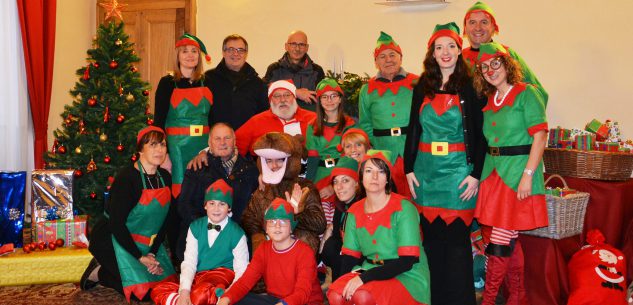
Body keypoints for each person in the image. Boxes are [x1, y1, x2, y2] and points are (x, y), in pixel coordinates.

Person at [403, 22, 487, 305]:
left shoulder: (471, 86)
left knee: (457, 244)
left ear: (459, 51)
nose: (446, 52)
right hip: (426, 173)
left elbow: (480, 134)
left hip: (458, 174)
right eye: (439, 47)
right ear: (432, 54)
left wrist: (475, 174)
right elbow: (413, 128)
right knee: (432, 242)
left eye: (451, 46)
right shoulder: (421, 86)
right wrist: (409, 168)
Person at [472, 42, 548, 305]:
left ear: (507, 64)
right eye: (484, 67)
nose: (490, 70)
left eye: (495, 63)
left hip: (517, 173)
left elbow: (540, 136)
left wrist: (528, 174)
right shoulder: (490, 100)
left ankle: (489, 300)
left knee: (500, 242)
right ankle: (518, 298)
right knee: (508, 240)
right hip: (493, 175)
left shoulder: (527, 93)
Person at [81, 126, 176, 302]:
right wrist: (140, 257)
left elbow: (166, 220)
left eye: (162, 145)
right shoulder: (127, 178)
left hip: (146, 243)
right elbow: (116, 224)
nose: (159, 150)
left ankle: (118, 267)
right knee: (143, 293)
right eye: (152, 145)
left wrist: (152, 254)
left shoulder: (165, 177)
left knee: (166, 287)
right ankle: (100, 272)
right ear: (140, 149)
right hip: (113, 239)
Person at [327, 150, 430, 305]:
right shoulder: (354, 211)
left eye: (381, 171)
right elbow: (349, 258)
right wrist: (342, 283)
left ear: (388, 178)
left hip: (406, 275)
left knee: (363, 296)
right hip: (368, 269)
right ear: (361, 177)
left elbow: (407, 262)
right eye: (369, 171)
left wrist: (363, 278)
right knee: (336, 294)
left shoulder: (404, 208)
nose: (374, 177)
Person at [151, 180, 249, 305]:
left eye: (222, 204)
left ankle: (197, 299)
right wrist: (184, 292)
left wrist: (230, 294)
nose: (216, 209)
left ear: (229, 208)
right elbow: (189, 261)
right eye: (212, 203)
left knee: (201, 293)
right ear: (205, 205)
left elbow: (242, 270)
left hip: (223, 278)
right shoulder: (195, 227)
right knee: (158, 290)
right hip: (199, 277)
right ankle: (184, 301)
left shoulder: (237, 233)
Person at [216, 198, 324, 305]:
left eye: (283, 221)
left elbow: (302, 292)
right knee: (235, 299)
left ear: (291, 227)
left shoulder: (305, 252)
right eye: (272, 221)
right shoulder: (263, 249)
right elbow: (245, 282)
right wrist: (226, 299)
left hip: (302, 302)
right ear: (266, 228)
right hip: (276, 300)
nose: (277, 226)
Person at [176, 123, 258, 262]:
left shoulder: (250, 169)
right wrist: (207, 229)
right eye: (217, 138)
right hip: (201, 239)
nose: (222, 143)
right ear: (209, 142)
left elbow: (254, 207)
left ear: (234, 140)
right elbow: (184, 205)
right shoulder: (198, 167)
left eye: (227, 138)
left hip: (237, 241)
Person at [241, 132, 326, 253]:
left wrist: (297, 213)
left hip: (298, 253)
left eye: (280, 160)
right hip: (270, 251)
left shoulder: (304, 187)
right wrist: (257, 235)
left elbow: (320, 225)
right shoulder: (263, 189)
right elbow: (249, 218)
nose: (274, 165)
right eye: (269, 161)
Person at [358, 31, 417, 198]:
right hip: (384, 151)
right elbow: (365, 123)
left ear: (401, 57)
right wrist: (378, 147)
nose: (388, 59)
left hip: (412, 150)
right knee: (388, 197)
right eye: (382, 56)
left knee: (416, 195)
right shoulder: (366, 89)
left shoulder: (416, 82)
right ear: (376, 62)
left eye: (392, 55)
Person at [154, 33, 214, 198]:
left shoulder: (207, 81)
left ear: (199, 56)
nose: (190, 55)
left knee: (202, 191)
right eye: (185, 51)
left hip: (202, 146)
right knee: (179, 193)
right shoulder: (167, 83)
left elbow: (213, 118)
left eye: (194, 51)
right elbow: (158, 120)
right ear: (177, 56)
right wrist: (163, 153)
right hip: (176, 148)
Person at [462, 1, 548, 105]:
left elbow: (538, 94)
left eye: (484, 22)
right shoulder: (459, 58)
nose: (478, 27)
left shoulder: (506, 54)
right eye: (472, 22)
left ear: (493, 27)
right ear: (465, 28)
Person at [306, 78, 356, 209]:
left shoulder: (350, 125)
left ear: (340, 99)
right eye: (325, 97)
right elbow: (313, 159)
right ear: (319, 100)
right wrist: (309, 186)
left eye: (334, 96)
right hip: (320, 175)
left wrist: (333, 186)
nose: (329, 100)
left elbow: (350, 158)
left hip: (342, 174)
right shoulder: (312, 126)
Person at [205, 34, 269, 130]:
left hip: (248, 140)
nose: (236, 54)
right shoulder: (208, 78)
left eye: (240, 50)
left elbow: (263, 115)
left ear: (246, 54)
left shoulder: (257, 83)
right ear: (223, 52)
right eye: (231, 49)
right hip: (217, 140)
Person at [321, 157, 363, 282]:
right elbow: (336, 239)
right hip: (346, 258)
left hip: (364, 263)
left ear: (356, 183)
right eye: (335, 182)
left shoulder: (362, 207)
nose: (338, 187)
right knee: (331, 246)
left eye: (345, 180)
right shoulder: (341, 205)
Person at [263, 30, 325, 112]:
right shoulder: (274, 69)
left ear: (307, 48)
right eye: (293, 44)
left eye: (301, 45)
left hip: (309, 121)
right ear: (286, 46)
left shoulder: (317, 71)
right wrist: (295, 92)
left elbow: (323, 99)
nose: (297, 48)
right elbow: (264, 90)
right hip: (280, 120)